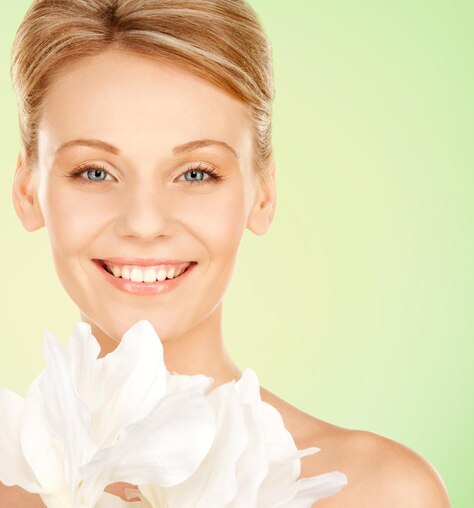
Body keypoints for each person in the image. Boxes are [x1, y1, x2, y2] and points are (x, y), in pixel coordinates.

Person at [3, 1, 450, 506]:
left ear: (263, 193)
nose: (145, 223)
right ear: (26, 190)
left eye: (196, 173)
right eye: (94, 172)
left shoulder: (376, 493)